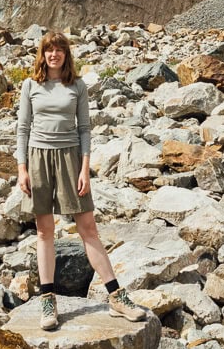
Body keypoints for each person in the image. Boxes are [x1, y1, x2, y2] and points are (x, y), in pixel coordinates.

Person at [16, 30, 146, 330]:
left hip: (70, 158)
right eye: (49, 50)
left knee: (88, 227)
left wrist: (85, 168)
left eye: (59, 49)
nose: (54, 54)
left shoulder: (77, 86)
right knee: (44, 231)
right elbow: (22, 129)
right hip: (37, 158)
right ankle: (49, 300)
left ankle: (116, 296)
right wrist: (21, 168)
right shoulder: (30, 85)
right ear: (42, 54)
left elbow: (85, 128)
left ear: (66, 54)